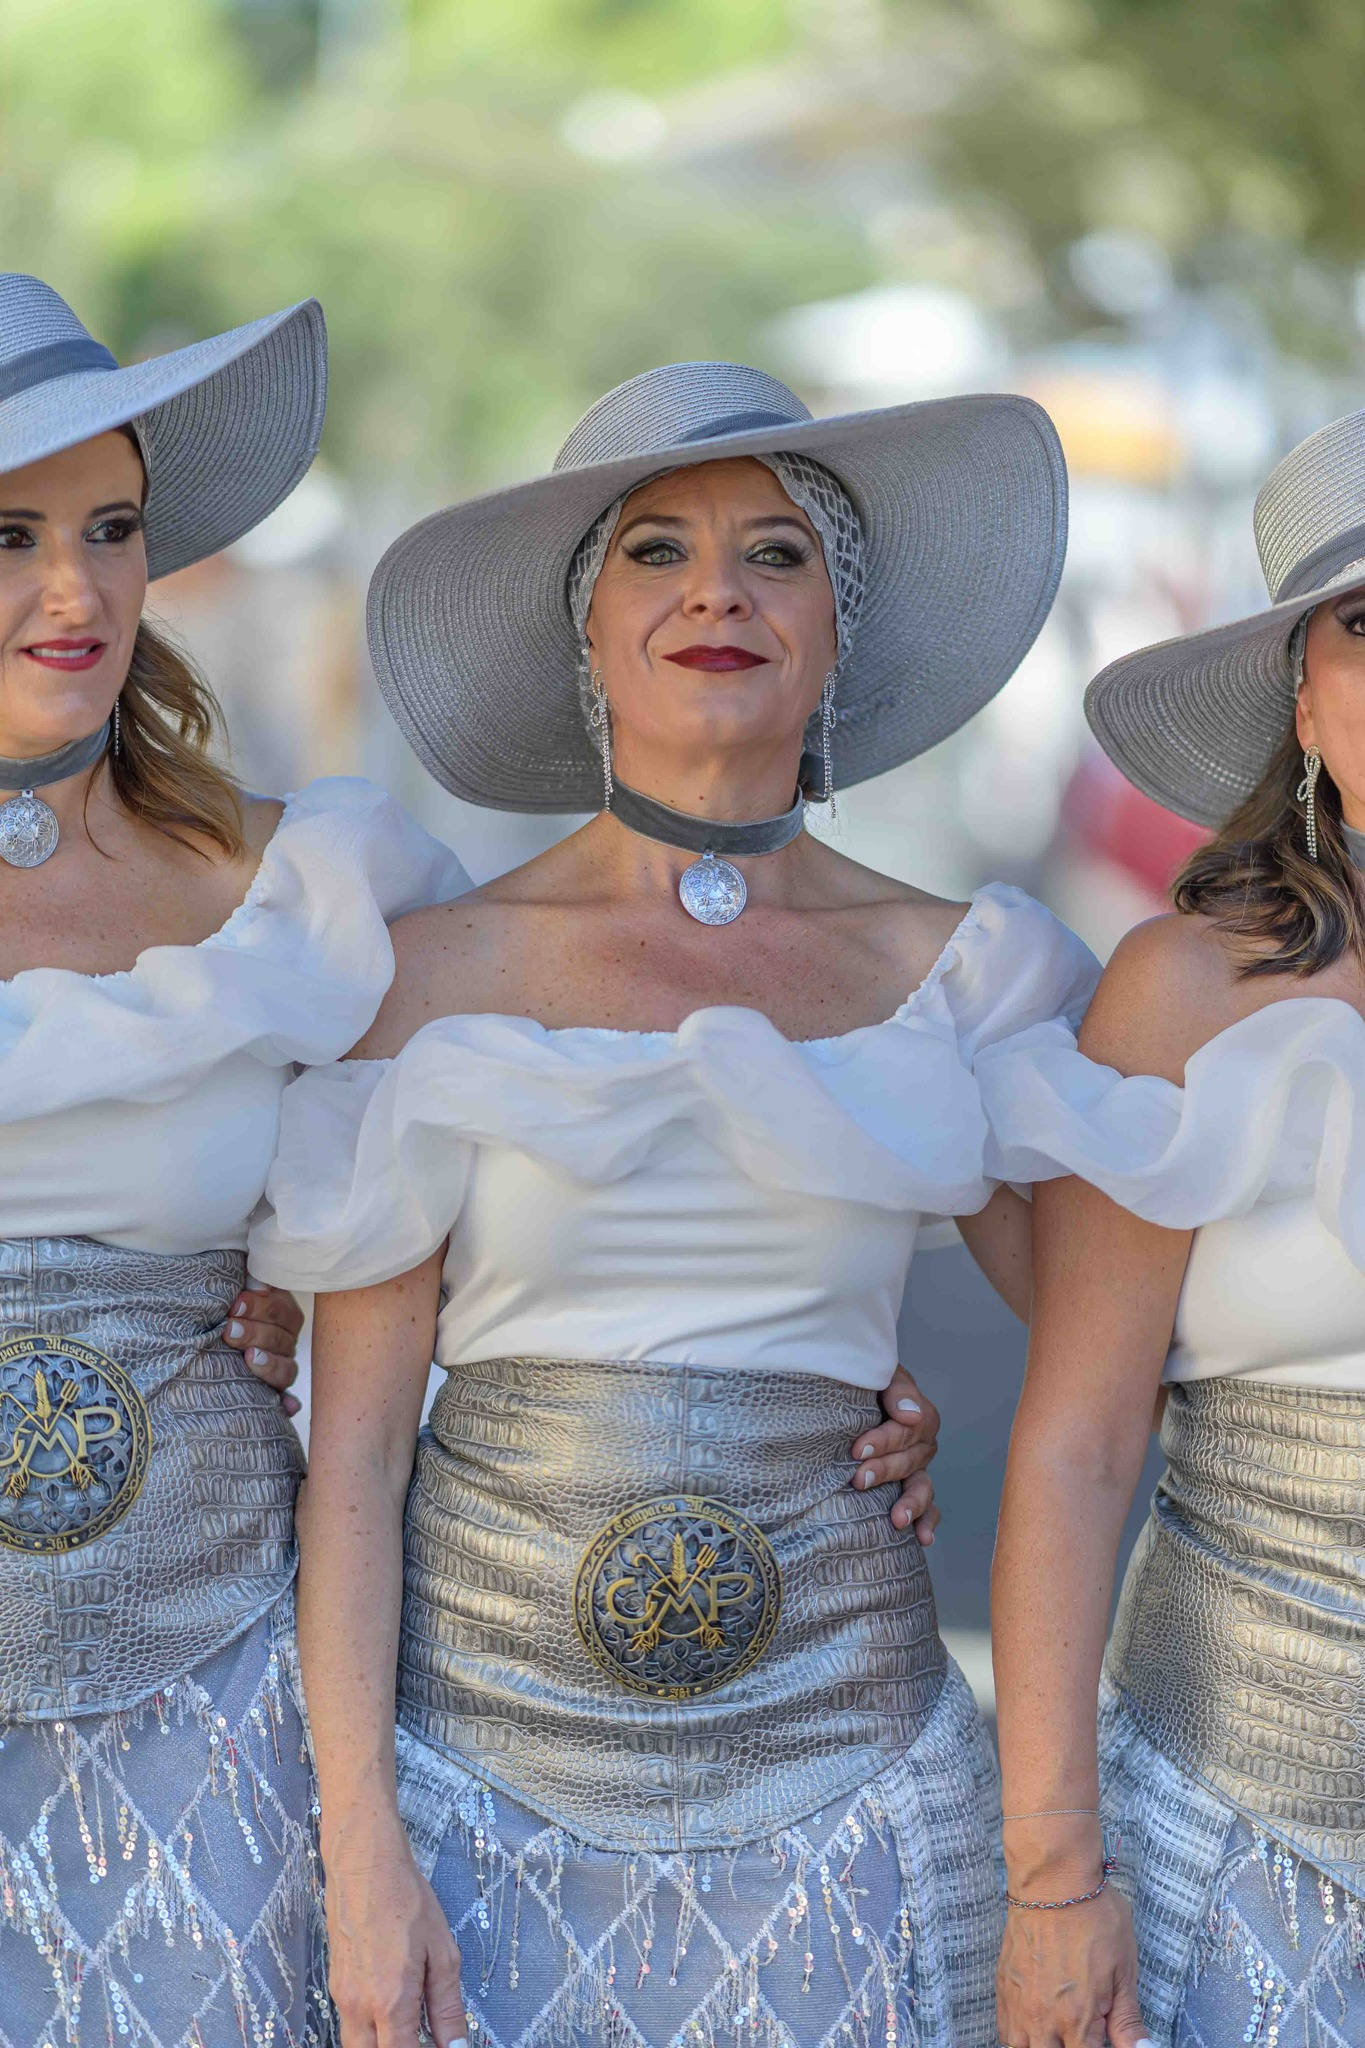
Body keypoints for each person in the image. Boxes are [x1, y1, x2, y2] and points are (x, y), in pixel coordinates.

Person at [251, 359, 1096, 2048]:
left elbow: (1122, 1349)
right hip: (479, 1791)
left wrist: (838, 1413)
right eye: (656, 551)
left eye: (776, 554)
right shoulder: (428, 974)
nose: (717, 591)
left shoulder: (965, 976)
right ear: (587, 627)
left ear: (838, 630)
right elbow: (355, 1454)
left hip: (857, 1798)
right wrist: (361, 1851)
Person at [0, 274, 469, 2047]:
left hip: (213, 1710)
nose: (78, 591)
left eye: (111, 529)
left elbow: (491, 1250)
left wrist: (826, 1400)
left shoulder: (308, 893)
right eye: (11, 534)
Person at [985, 407, 1365, 2047]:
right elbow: (1075, 1448)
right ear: (1303, 702)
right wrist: (1052, 1881)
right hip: (1229, 1832)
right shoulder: (1182, 994)